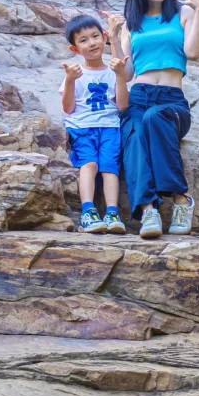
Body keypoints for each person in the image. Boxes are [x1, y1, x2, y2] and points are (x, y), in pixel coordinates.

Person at [118, 0, 199, 238]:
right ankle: (148, 211)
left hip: (171, 102)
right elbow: (128, 72)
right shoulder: (131, 23)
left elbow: (193, 52)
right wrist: (112, 42)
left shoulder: (183, 13)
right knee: (133, 132)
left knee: (155, 118)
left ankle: (181, 199)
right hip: (139, 96)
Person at [60, 13, 129, 233]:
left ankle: (111, 212)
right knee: (89, 165)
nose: (92, 43)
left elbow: (122, 105)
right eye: (83, 40)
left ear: (105, 37)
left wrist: (119, 76)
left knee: (110, 168)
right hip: (82, 128)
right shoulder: (75, 73)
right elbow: (68, 108)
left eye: (95, 36)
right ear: (75, 49)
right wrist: (70, 80)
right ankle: (88, 212)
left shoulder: (113, 70)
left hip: (110, 127)